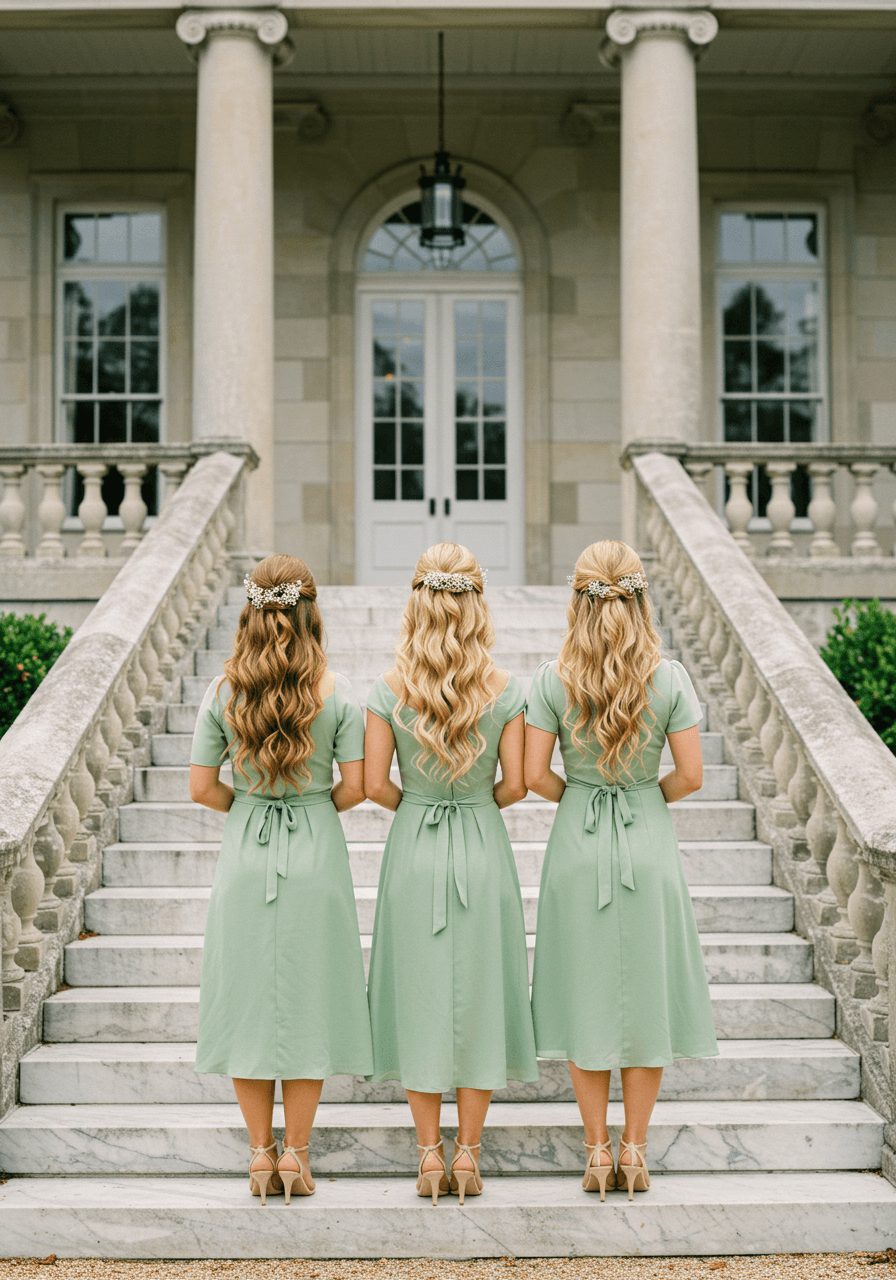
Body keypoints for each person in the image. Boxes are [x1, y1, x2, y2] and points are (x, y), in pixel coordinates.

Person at [525, 540, 718, 1200]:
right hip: (647, 845)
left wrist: (584, 796)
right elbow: (690, 775)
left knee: (585, 994)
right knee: (644, 1001)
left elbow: (529, 775)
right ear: (639, 597)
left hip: (576, 849)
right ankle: (635, 1151)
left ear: (578, 600)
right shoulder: (669, 677)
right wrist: (639, 798)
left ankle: (595, 1149)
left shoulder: (552, 679)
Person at [189, 554, 373, 1204]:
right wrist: (308, 804)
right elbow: (356, 787)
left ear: (251, 611)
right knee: (307, 1003)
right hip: (315, 851)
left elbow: (201, 787)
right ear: (309, 610)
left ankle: (259, 1156)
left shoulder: (222, 692)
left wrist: (252, 805)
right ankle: (297, 1156)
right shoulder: (338, 691)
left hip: (246, 851)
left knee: (246, 1006)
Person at [364, 543, 538, 1205]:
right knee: (480, 996)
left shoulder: (389, 690)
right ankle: (469, 1154)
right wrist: (469, 802)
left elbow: (375, 784)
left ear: (418, 601)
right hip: (481, 845)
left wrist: (421, 803)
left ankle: (428, 1154)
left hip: (414, 844)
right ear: (476, 605)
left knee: (420, 996)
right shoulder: (507, 689)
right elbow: (518, 783)